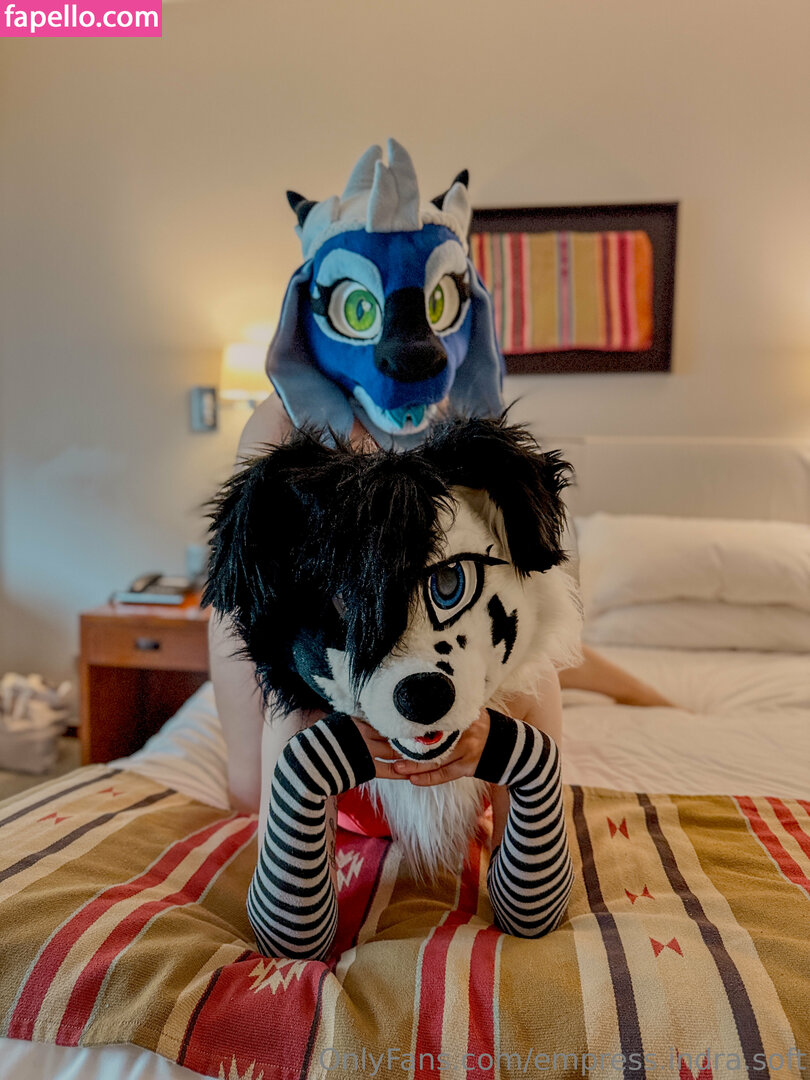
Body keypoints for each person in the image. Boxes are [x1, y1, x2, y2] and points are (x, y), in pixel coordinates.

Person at [208, 141, 672, 951]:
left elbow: (529, 603)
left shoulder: (467, 429)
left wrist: (495, 731)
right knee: (285, 733)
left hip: (464, 699)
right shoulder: (285, 428)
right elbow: (245, 617)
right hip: (346, 708)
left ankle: (548, 810)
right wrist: (252, 780)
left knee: (543, 672)